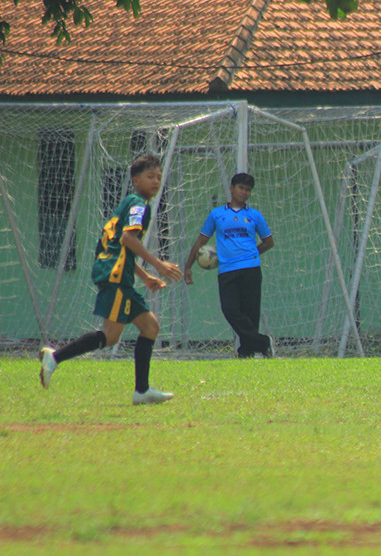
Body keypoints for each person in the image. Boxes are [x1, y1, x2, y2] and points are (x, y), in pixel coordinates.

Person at [38, 154, 183, 404]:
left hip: (117, 274)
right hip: (115, 276)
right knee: (110, 336)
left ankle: (142, 391)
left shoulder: (128, 203)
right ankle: (56, 357)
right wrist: (158, 265)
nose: (156, 181)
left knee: (150, 327)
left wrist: (146, 276)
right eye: (150, 177)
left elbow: (121, 248)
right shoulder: (139, 205)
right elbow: (128, 240)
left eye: (159, 177)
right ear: (135, 180)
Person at [183, 173, 275, 358]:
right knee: (230, 310)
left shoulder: (254, 215)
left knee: (250, 313)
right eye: (241, 188)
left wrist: (252, 254)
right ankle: (263, 342)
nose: (244, 192)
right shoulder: (217, 214)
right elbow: (201, 240)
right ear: (232, 188)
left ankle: (246, 353)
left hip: (251, 269)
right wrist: (188, 267)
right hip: (227, 270)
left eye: (248, 190)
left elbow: (268, 242)